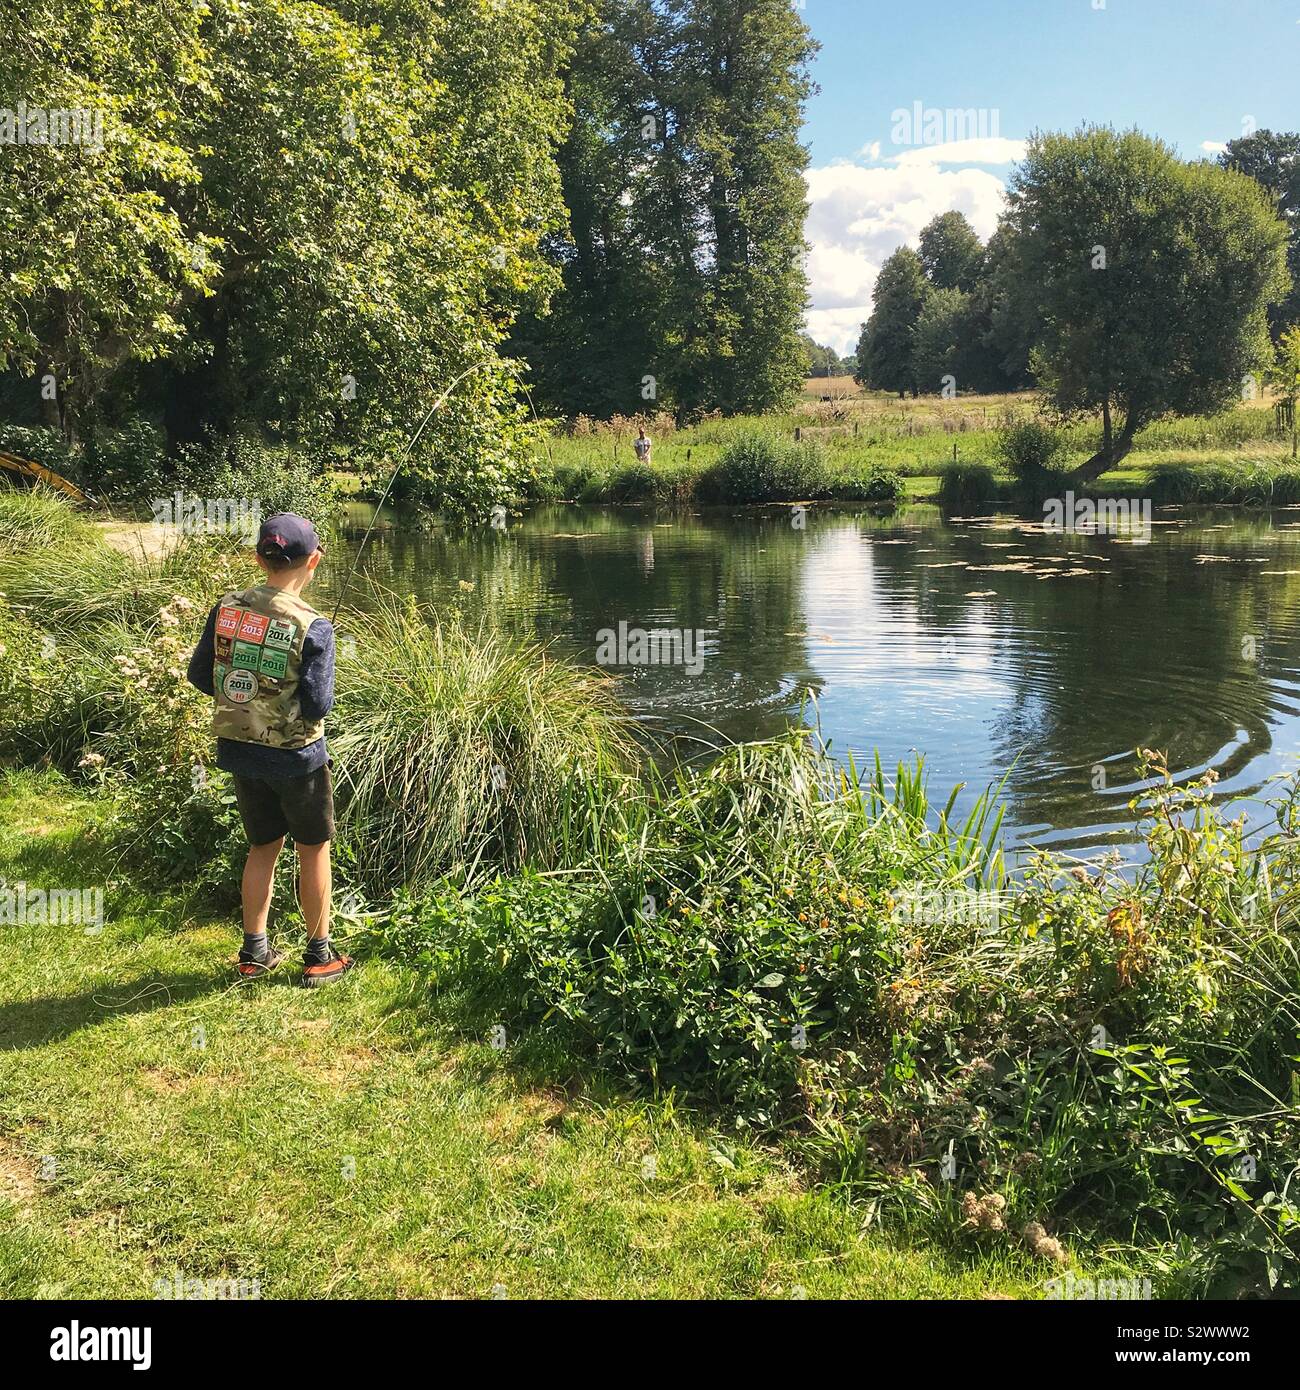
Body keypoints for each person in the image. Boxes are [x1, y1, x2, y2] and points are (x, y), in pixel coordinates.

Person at [186, 512, 353, 987]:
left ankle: (253, 951)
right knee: (313, 849)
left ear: (259, 557)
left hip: (240, 750)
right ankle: (320, 955)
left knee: (262, 847)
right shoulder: (314, 625)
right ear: (314, 561)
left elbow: (201, 676)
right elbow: (318, 703)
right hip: (297, 758)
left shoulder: (227, 608)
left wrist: (249, 698)